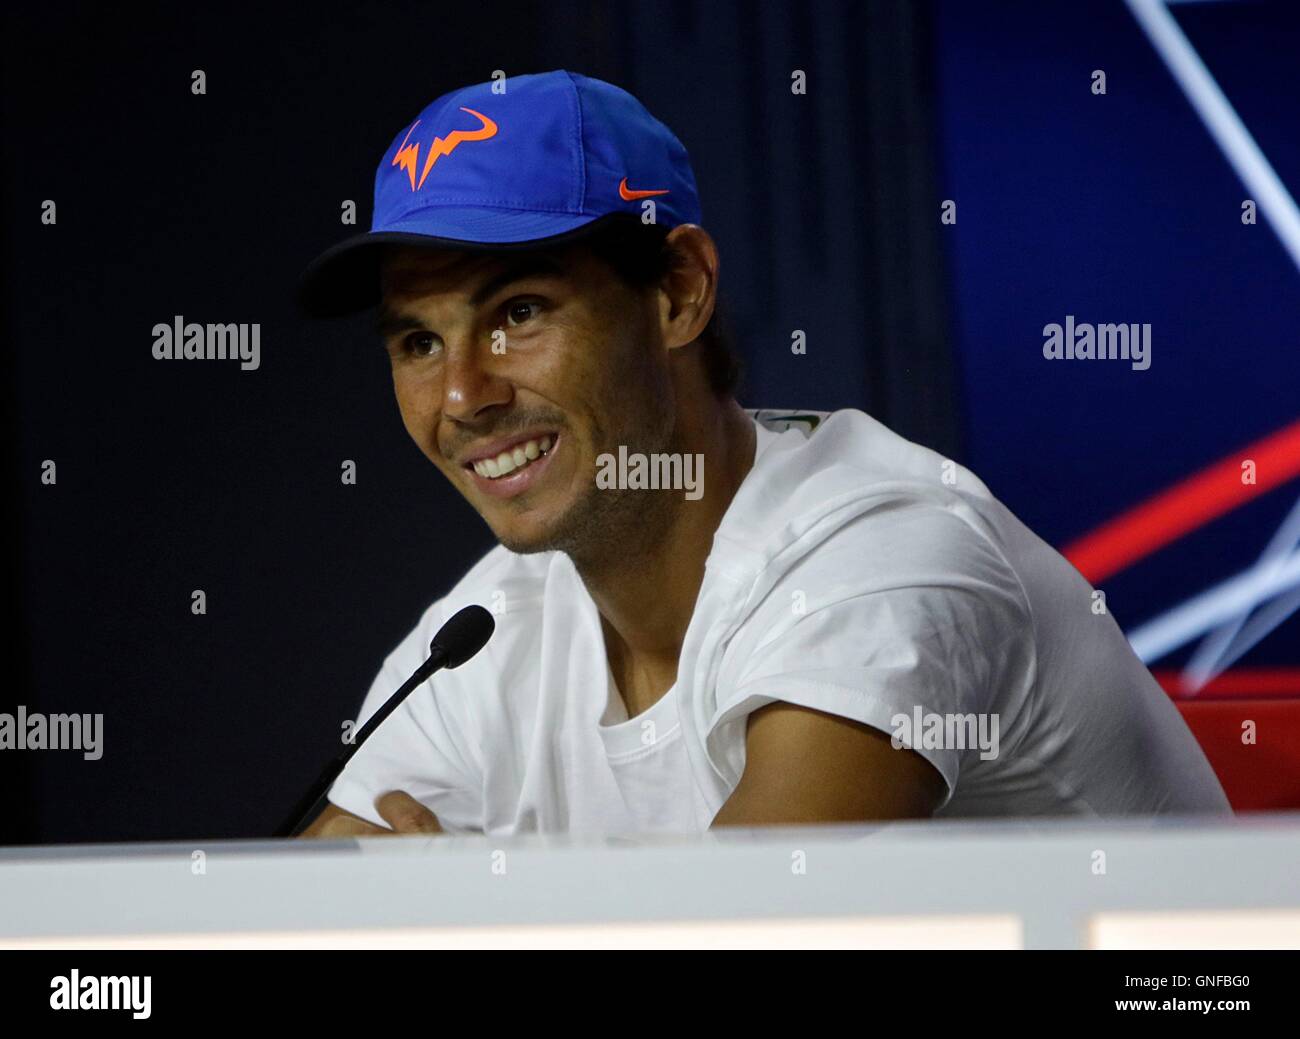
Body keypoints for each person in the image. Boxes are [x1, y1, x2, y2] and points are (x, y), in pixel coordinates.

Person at [295, 70, 1229, 837]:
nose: (463, 395)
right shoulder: (488, 630)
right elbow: (283, 922)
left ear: (678, 292)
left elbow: (749, 933)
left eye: (520, 314)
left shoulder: (881, 555)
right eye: (418, 343)